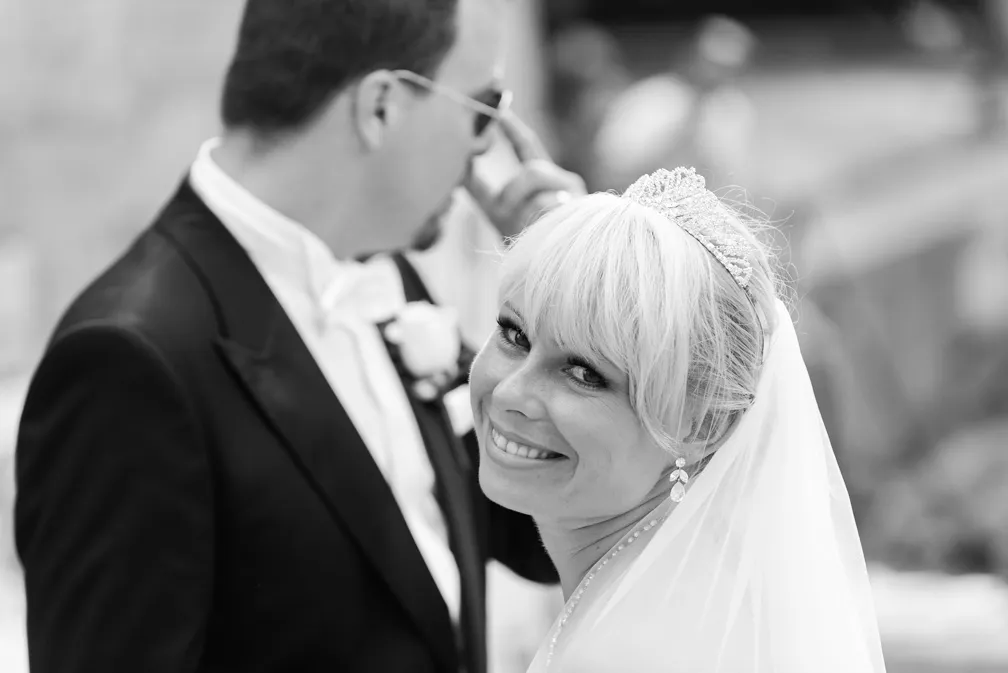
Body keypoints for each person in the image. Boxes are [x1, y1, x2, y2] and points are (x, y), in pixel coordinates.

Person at [14, 1, 584, 672]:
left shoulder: (386, 276)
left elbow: (538, 532)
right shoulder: (128, 360)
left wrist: (570, 286)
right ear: (381, 106)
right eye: (484, 108)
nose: (484, 151)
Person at [469, 167, 887, 671]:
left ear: (701, 425)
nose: (511, 393)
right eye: (514, 335)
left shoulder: (629, 653)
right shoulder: (692, 595)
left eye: (583, 373)